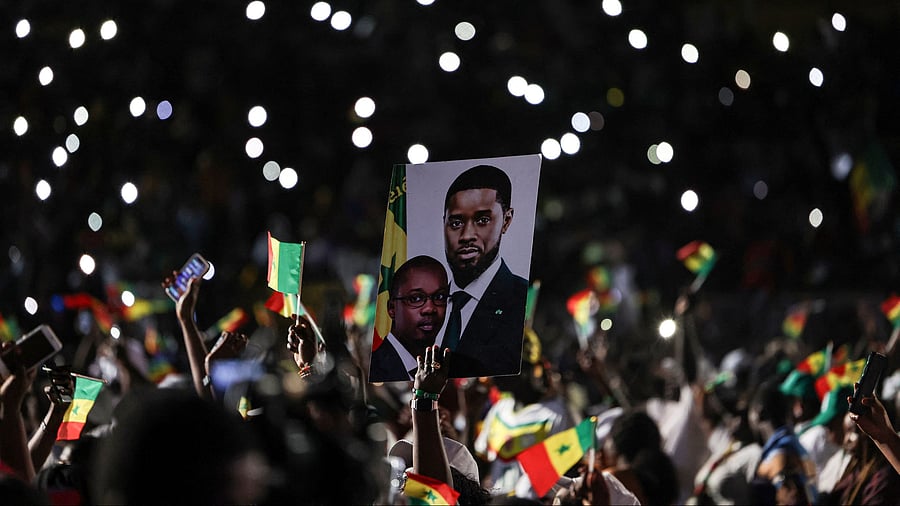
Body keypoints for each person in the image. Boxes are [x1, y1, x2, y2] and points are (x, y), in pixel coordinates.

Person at [439, 164, 529, 378]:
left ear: (506, 220)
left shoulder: (521, 300)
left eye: (482, 220)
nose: (467, 235)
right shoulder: (423, 303)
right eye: (456, 222)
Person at [369, 255, 450, 382]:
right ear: (392, 308)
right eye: (416, 299)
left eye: (439, 297)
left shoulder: (451, 365)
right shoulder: (374, 367)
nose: (430, 309)